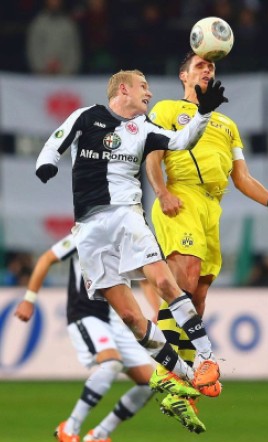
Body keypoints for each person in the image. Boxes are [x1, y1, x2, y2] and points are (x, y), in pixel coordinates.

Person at [34, 69, 227, 408]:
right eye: (144, 87)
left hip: (127, 216)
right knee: (130, 318)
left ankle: (207, 358)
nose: (149, 94)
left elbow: (182, 141)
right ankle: (186, 374)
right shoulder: (85, 116)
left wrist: (203, 114)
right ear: (123, 89)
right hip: (89, 229)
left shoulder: (146, 128)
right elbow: (56, 140)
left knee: (165, 284)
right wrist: (47, 162)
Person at [146, 51, 268, 429]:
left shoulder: (227, 123)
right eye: (199, 65)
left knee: (198, 296)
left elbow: (241, 176)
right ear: (183, 75)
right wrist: (161, 192)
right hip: (181, 198)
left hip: (213, 206)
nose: (207, 69)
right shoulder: (166, 109)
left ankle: (184, 376)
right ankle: (168, 371)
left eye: (211, 66)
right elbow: (153, 154)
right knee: (186, 277)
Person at [15, 233, 157, 442]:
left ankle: (99, 436)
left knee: (150, 383)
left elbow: (145, 278)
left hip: (118, 318)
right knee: (111, 364)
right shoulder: (84, 233)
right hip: (86, 314)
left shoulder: (126, 235)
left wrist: (157, 309)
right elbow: (46, 259)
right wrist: (29, 299)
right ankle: (69, 429)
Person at [26, 0, 82, 75]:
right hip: (41, 76)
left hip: (65, 77)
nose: (54, 2)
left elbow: (74, 51)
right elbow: (33, 50)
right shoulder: (37, 23)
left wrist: (65, 69)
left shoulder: (69, 24)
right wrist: (43, 67)